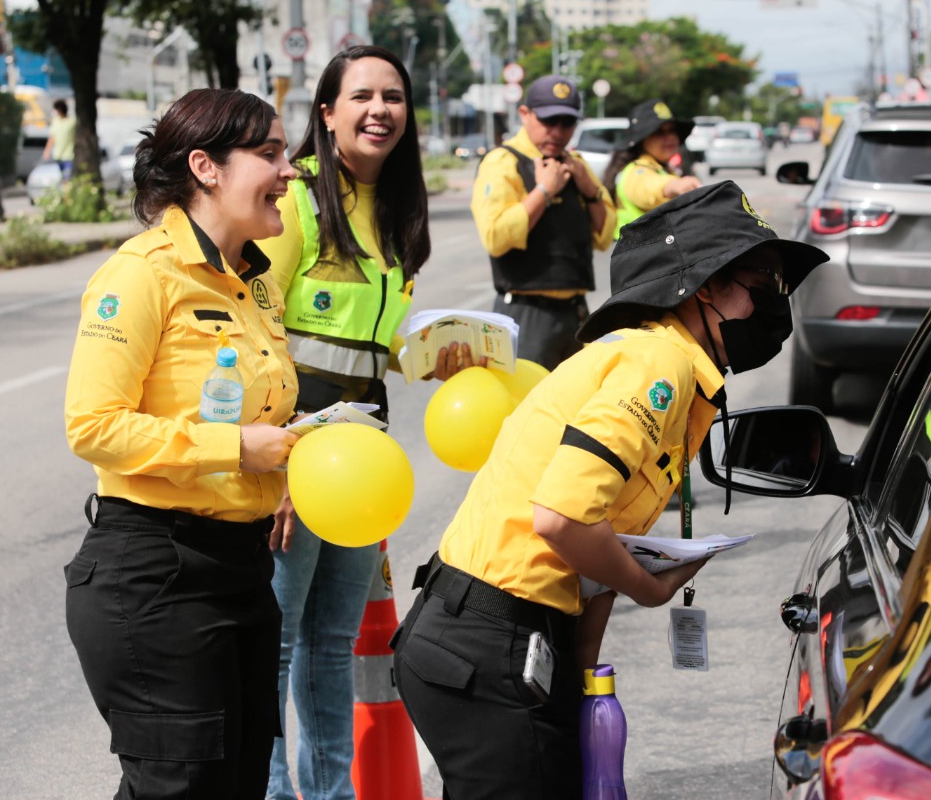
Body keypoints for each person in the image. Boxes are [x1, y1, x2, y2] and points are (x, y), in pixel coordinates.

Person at [392, 180, 828, 799]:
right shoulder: (659, 365)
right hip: (485, 645)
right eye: (763, 284)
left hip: (511, 638)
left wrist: (585, 672)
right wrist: (649, 588)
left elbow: (596, 535)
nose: (775, 304)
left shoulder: (680, 378)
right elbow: (561, 518)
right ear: (705, 285)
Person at [63, 88, 301, 799]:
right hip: (155, 573)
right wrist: (232, 448)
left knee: (238, 780)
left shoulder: (253, 284)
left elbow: (264, 409)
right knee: (180, 785)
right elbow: (92, 424)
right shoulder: (140, 274)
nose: (290, 170)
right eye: (268, 154)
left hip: (243, 569)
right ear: (205, 167)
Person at [258, 45, 472, 800]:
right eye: (361, 96)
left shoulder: (397, 215)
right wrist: (282, 460)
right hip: (294, 455)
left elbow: (368, 351)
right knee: (277, 647)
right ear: (327, 112)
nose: (379, 109)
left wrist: (433, 358)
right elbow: (259, 334)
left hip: (361, 461)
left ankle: (331, 794)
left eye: (394, 96)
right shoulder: (297, 200)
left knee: (332, 645)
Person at [471, 74, 617, 370]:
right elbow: (496, 237)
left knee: (575, 409)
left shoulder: (574, 163)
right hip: (527, 315)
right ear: (525, 114)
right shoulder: (503, 162)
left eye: (567, 122)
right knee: (526, 409)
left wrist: (589, 191)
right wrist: (543, 192)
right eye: (549, 121)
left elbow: (604, 237)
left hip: (575, 313)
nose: (558, 131)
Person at [602, 98, 702, 239]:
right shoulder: (636, 171)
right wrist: (674, 186)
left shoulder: (666, 168)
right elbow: (649, 187)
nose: (669, 137)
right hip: (641, 258)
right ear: (642, 140)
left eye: (672, 130)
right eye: (659, 132)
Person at [42, 98, 77, 177]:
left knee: (67, 177)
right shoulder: (55, 121)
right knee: (60, 178)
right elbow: (52, 138)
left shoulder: (72, 121)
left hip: (69, 155)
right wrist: (47, 151)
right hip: (57, 155)